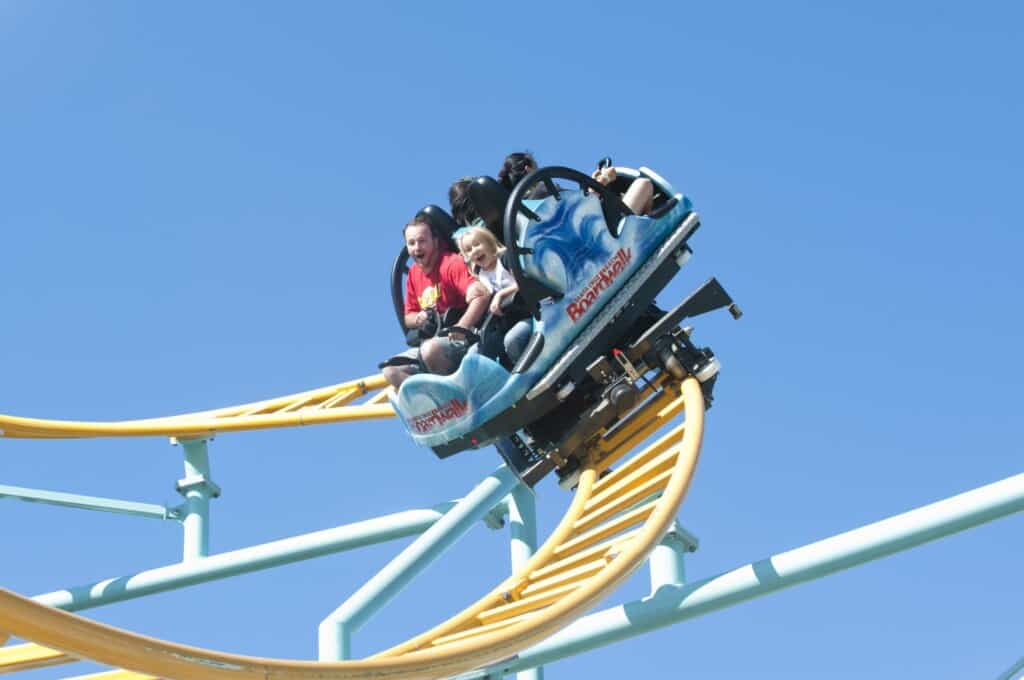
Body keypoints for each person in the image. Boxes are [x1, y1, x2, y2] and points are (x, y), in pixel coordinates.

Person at [381, 219, 491, 389]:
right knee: (391, 370)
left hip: (464, 338)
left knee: (430, 350)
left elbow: (481, 295)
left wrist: (462, 326)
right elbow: (408, 318)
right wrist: (420, 317)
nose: (417, 248)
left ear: (435, 241)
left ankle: (459, 396)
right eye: (411, 243)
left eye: (422, 241)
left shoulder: (450, 263)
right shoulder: (413, 275)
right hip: (431, 341)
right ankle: (434, 400)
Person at [457, 226, 532, 365]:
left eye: (477, 244)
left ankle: (528, 377)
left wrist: (501, 295)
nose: (475, 250)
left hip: (528, 314)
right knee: (473, 354)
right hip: (505, 323)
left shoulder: (504, 259)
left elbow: (523, 281)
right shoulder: (480, 275)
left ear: (489, 243)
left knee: (512, 340)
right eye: (469, 249)